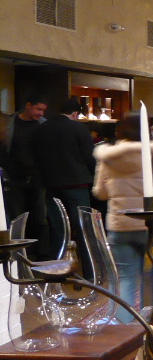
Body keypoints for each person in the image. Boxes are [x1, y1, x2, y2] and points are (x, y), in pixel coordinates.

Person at [92, 113, 153, 322]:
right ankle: (152, 320)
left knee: (124, 278)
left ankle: (122, 325)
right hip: (150, 224)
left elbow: (100, 192)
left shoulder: (108, 157)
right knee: (151, 275)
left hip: (119, 224)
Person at [33, 97, 95, 269]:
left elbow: (36, 156)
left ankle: (59, 268)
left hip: (51, 185)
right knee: (82, 227)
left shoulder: (42, 128)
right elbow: (90, 157)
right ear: (75, 114)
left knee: (58, 228)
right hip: (77, 184)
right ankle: (89, 269)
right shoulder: (78, 128)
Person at [1, 96, 50, 259]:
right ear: (28, 105)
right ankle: (20, 256)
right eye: (38, 109)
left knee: (40, 218)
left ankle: (41, 255)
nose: (41, 113)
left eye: (43, 110)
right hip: (15, 178)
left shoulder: (43, 125)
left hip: (37, 177)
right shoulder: (10, 123)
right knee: (18, 217)